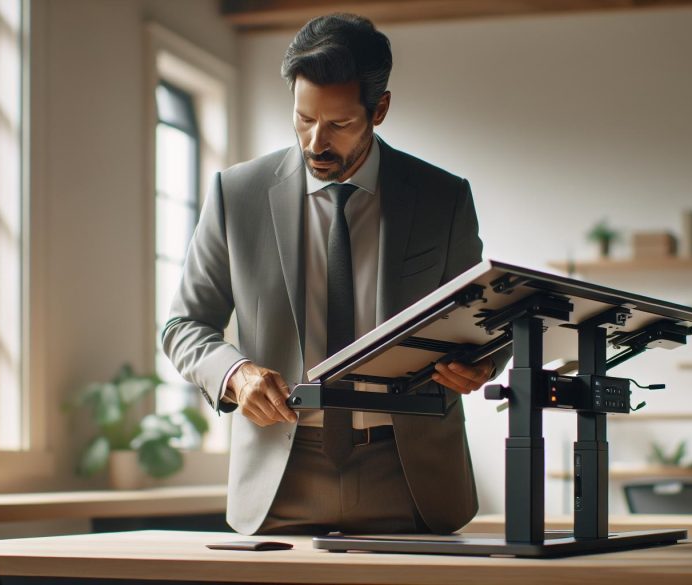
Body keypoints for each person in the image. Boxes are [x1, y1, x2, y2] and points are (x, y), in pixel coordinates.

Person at [162, 13, 506, 536]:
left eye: (339, 124)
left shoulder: (444, 198)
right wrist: (235, 374)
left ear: (379, 109)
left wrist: (483, 362)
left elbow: (483, 319)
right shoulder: (237, 195)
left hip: (413, 477)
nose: (315, 142)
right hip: (280, 476)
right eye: (303, 119)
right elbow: (183, 325)